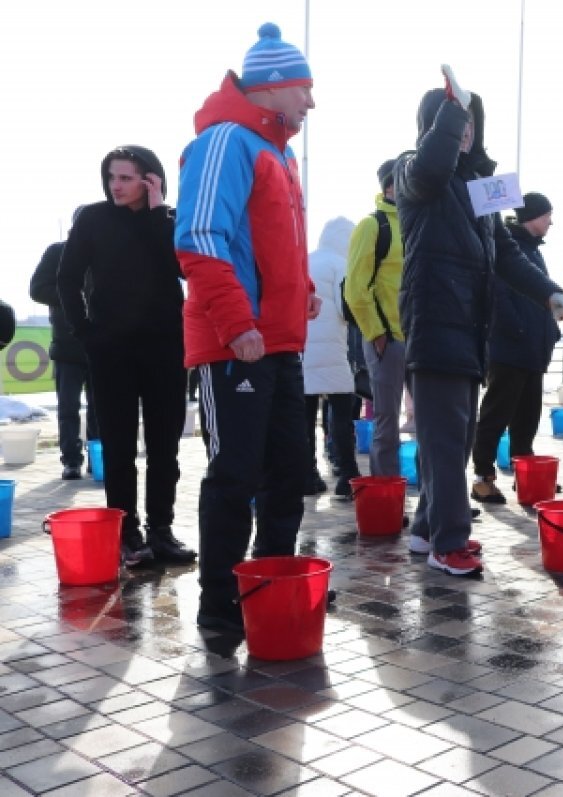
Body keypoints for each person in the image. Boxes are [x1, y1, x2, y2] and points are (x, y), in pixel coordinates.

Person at [395, 66, 563, 576]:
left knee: (450, 435)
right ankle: (449, 542)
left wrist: (548, 293)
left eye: (472, 122)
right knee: (447, 441)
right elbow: (432, 164)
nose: (466, 131)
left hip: (472, 334)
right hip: (434, 324)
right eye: (457, 122)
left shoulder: (481, 187)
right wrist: (452, 111)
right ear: (436, 124)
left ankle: (427, 529)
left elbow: (508, 254)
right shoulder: (414, 171)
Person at [175, 23, 320, 631]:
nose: (311, 101)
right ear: (273, 86)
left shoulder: (280, 153)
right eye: (304, 88)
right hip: (235, 344)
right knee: (235, 474)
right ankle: (219, 605)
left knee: (289, 471)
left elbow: (272, 242)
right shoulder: (224, 141)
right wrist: (238, 324)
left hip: (280, 343)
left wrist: (303, 290)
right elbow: (199, 237)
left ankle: (271, 585)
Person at [57, 146, 195, 569]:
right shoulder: (93, 219)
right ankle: (126, 533)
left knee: (164, 447)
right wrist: (85, 332)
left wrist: (157, 212)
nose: (115, 185)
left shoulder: (169, 220)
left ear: (150, 180)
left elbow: (184, 269)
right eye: (111, 177)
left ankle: (161, 531)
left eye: (126, 178)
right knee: (118, 447)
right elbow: (66, 278)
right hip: (111, 351)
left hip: (166, 348)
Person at [470, 192, 561, 504]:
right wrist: (519, 330)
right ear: (532, 216)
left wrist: (550, 332)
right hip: (509, 349)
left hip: (533, 350)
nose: (551, 222)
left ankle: (526, 474)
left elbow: (540, 299)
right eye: (547, 215)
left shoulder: (533, 251)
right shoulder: (506, 248)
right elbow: (499, 297)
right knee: (495, 414)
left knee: (527, 417)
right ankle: (483, 476)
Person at [345, 159, 406, 477]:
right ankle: (387, 491)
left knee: (431, 422)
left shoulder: (419, 223)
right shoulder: (372, 225)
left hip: (422, 338)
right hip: (389, 339)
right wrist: (378, 334)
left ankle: (429, 493)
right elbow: (356, 290)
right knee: (387, 421)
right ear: (390, 186)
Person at [30, 208, 98, 480]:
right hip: (67, 346)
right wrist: (71, 297)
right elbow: (37, 289)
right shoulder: (57, 252)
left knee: (100, 408)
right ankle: (71, 460)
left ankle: (98, 459)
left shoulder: (104, 252)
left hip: (100, 344)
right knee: (68, 408)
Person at [302, 217, 362, 498]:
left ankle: (307, 475)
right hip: (333, 350)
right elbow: (346, 308)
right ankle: (347, 475)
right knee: (341, 416)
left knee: (304, 417)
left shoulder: (306, 260)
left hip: (302, 348)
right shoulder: (342, 265)